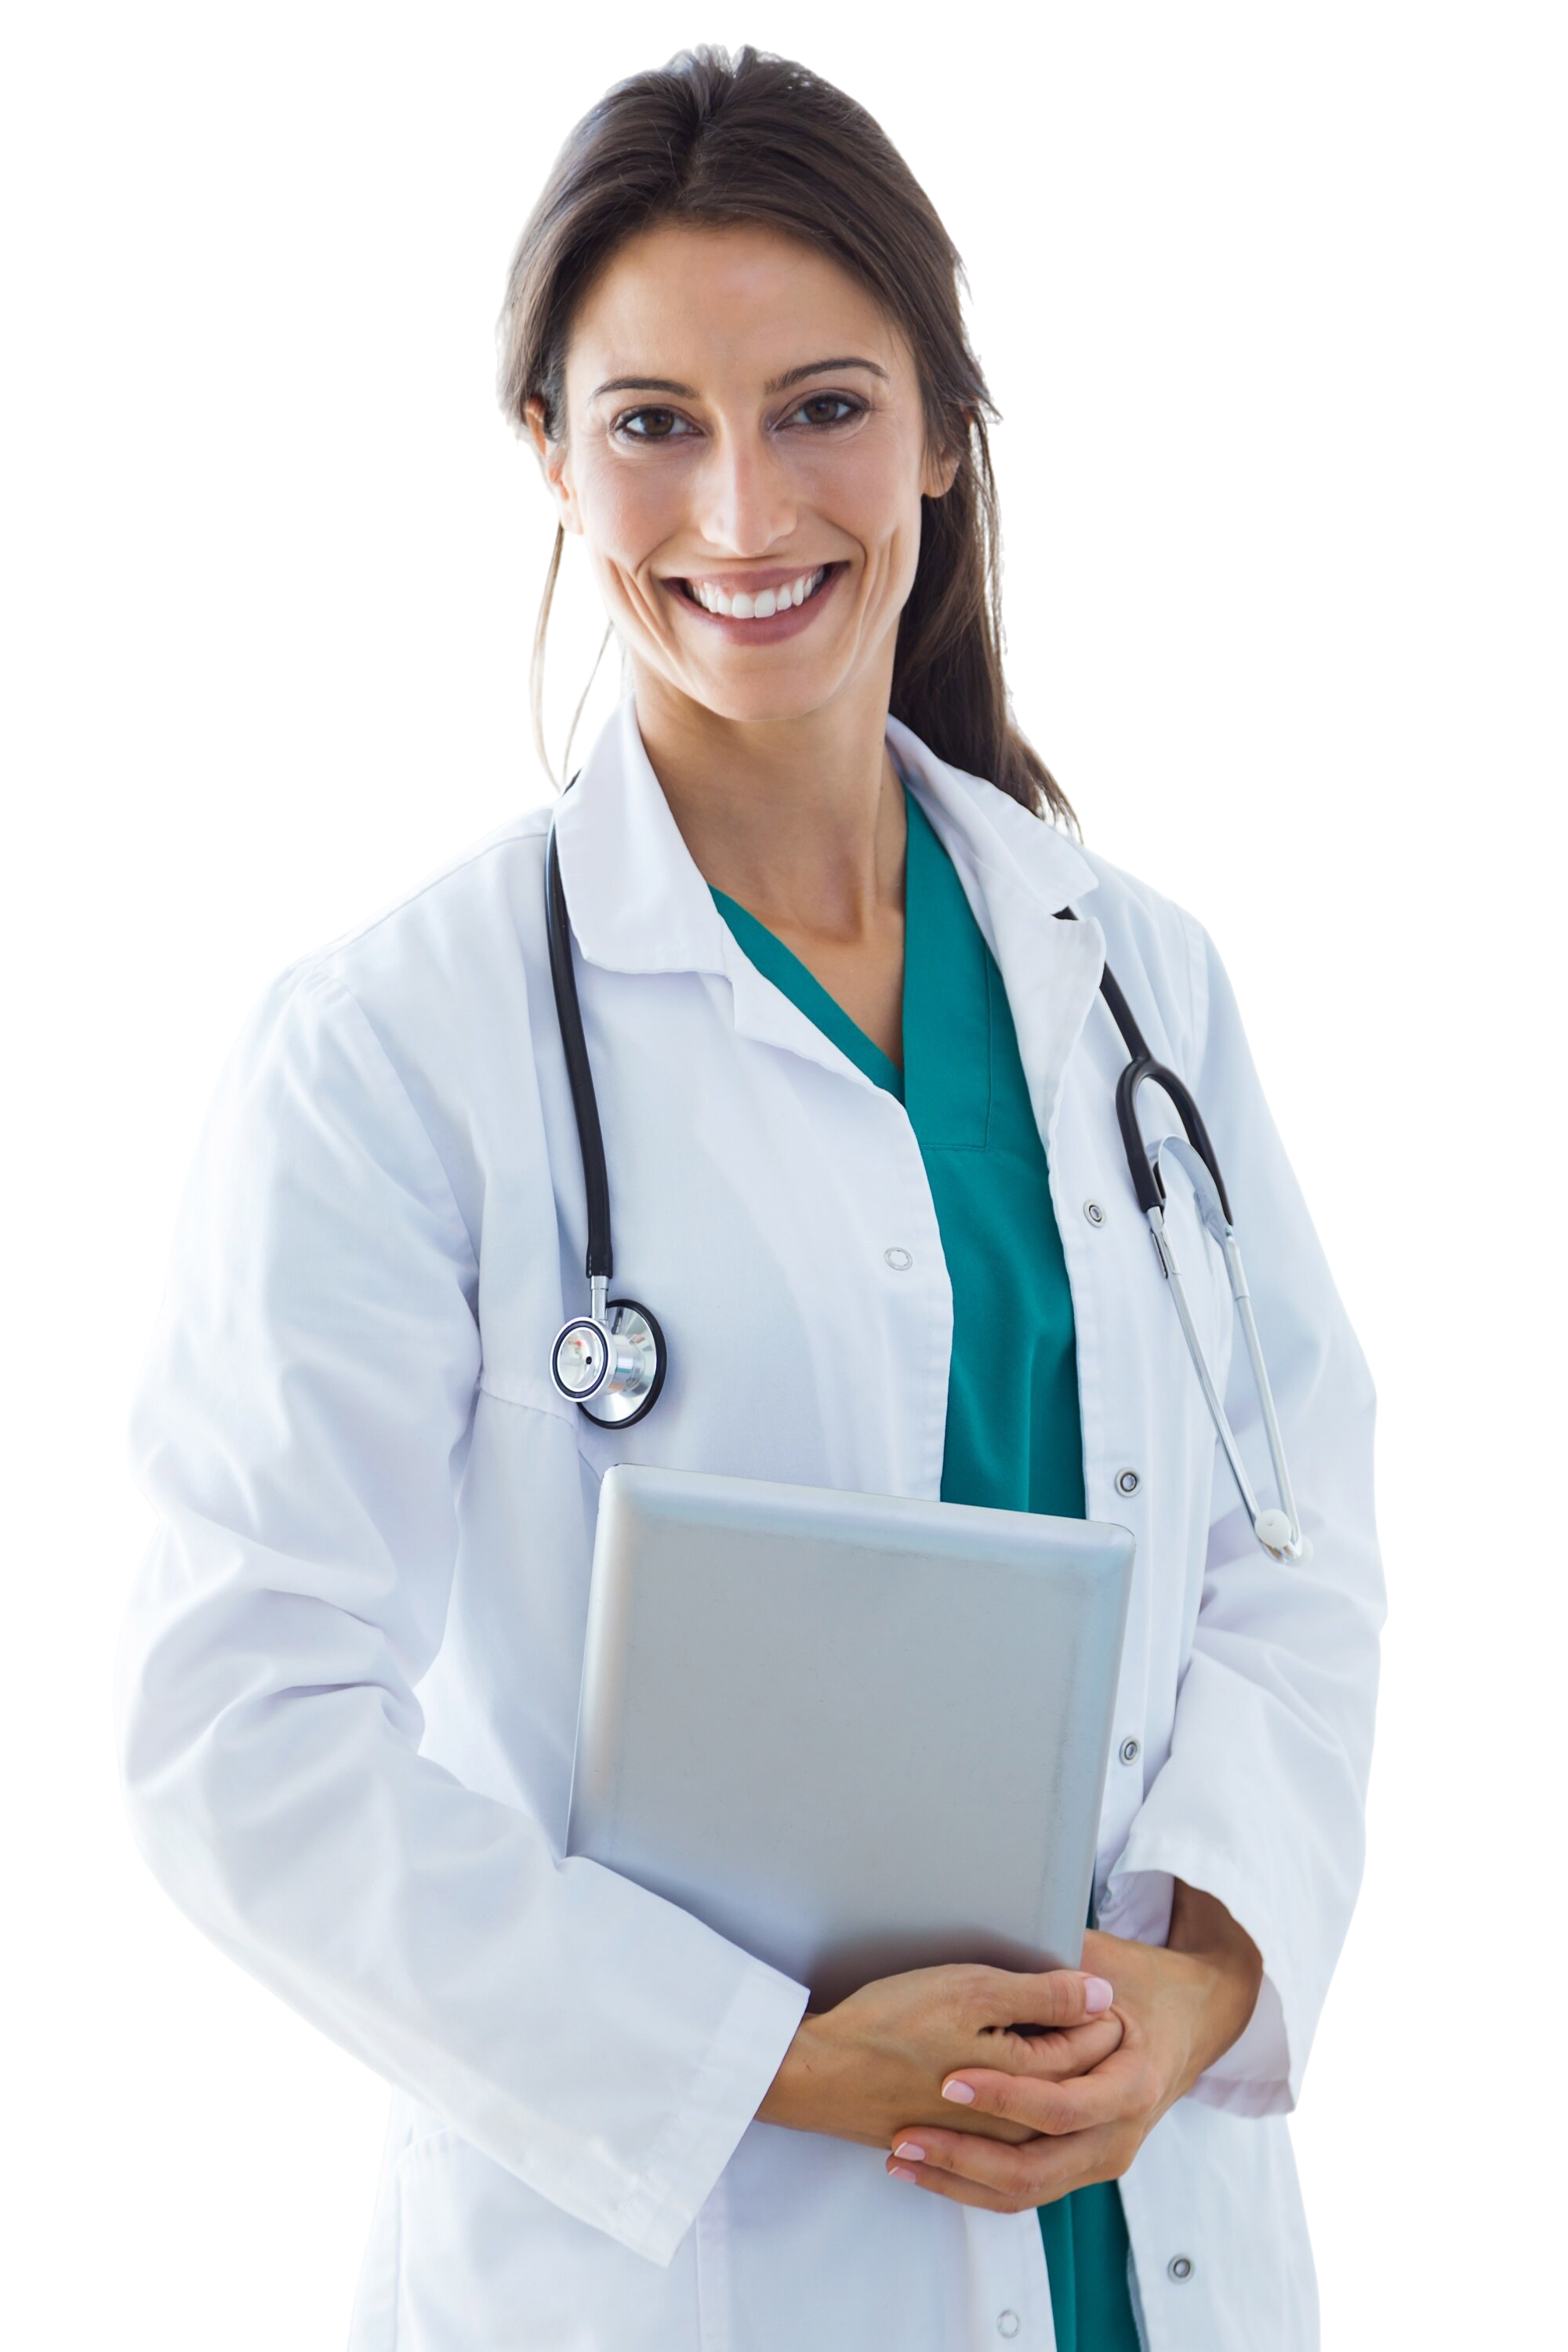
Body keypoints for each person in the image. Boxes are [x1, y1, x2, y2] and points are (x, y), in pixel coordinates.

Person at [107, 37, 1388, 2352]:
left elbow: (1302, 1559)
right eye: (652, 427)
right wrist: (760, 2072)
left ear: (943, 426)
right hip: (668, 2266)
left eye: (821, 407)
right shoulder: (392, 1037)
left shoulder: (1140, 984)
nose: (742, 512)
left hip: (1146, 2236)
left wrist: (1203, 1990)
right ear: (541, 454)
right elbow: (244, 1729)